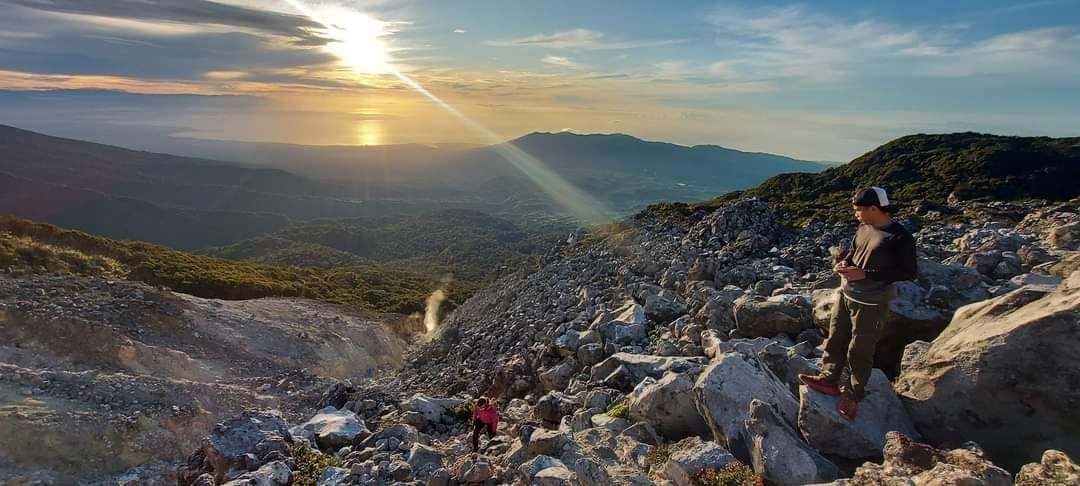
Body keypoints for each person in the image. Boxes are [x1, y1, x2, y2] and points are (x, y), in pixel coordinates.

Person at [800, 186, 917, 420]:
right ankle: (829, 377)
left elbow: (908, 272)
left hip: (872, 303)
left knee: (860, 349)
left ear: (874, 208)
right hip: (847, 294)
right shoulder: (864, 226)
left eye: (859, 210)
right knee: (835, 337)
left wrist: (865, 274)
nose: (856, 214)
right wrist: (844, 263)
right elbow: (854, 251)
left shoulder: (899, 237)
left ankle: (853, 395)